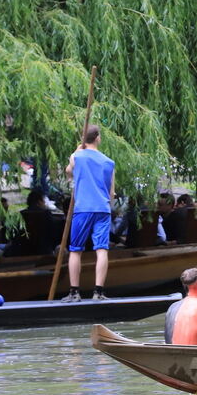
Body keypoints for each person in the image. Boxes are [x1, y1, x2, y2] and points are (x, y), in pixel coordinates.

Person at [63, 125, 115, 302]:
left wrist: (76, 152)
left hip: (83, 208)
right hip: (102, 209)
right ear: (98, 138)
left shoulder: (76, 156)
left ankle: (74, 292)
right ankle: (98, 291)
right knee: (101, 249)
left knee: (76, 250)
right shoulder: (109, 162)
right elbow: (111, 193)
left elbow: (69, 172)